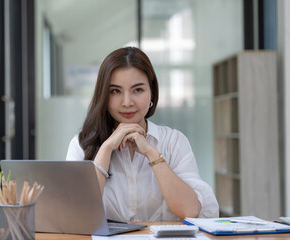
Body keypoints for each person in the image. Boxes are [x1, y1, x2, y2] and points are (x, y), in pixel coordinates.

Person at [66, 47, 219, 222]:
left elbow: (190, 211)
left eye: (137, 90)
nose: (127, 102)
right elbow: (76, 216)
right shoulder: (81, 144)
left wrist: (151, 153)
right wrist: (107, 148)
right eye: (115, 91)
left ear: (152, 91)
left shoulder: (174, 141)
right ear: (103, 96)